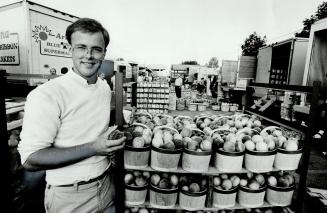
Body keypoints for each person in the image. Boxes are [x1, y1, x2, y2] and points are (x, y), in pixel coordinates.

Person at [18, 18, 126, 213]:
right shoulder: (47, 94)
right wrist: (94, 148)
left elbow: (91, 124)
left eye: (96, 49)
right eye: (81, 47)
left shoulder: (103, 87)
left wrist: (121, 120)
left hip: (107, 187)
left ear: (104, 54)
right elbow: (30, 160)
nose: (89, 55)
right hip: (70, 198)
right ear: (70, 50)